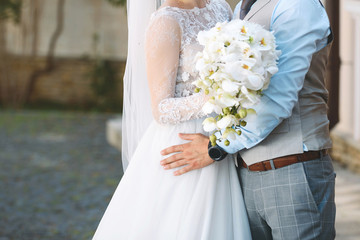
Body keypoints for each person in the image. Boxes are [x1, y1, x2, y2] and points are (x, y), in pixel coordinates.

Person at [161, 0, 336, 239]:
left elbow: (277, 99)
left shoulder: (297, 6)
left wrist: (216, 146)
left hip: (293, 170)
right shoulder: (243, 6)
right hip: (245, 175)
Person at [92, 0, 252, 239]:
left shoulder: (221, 8)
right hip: (184, 142)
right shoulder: (165, 21)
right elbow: (161, 108)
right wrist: (217, 96)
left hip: (221, 138)